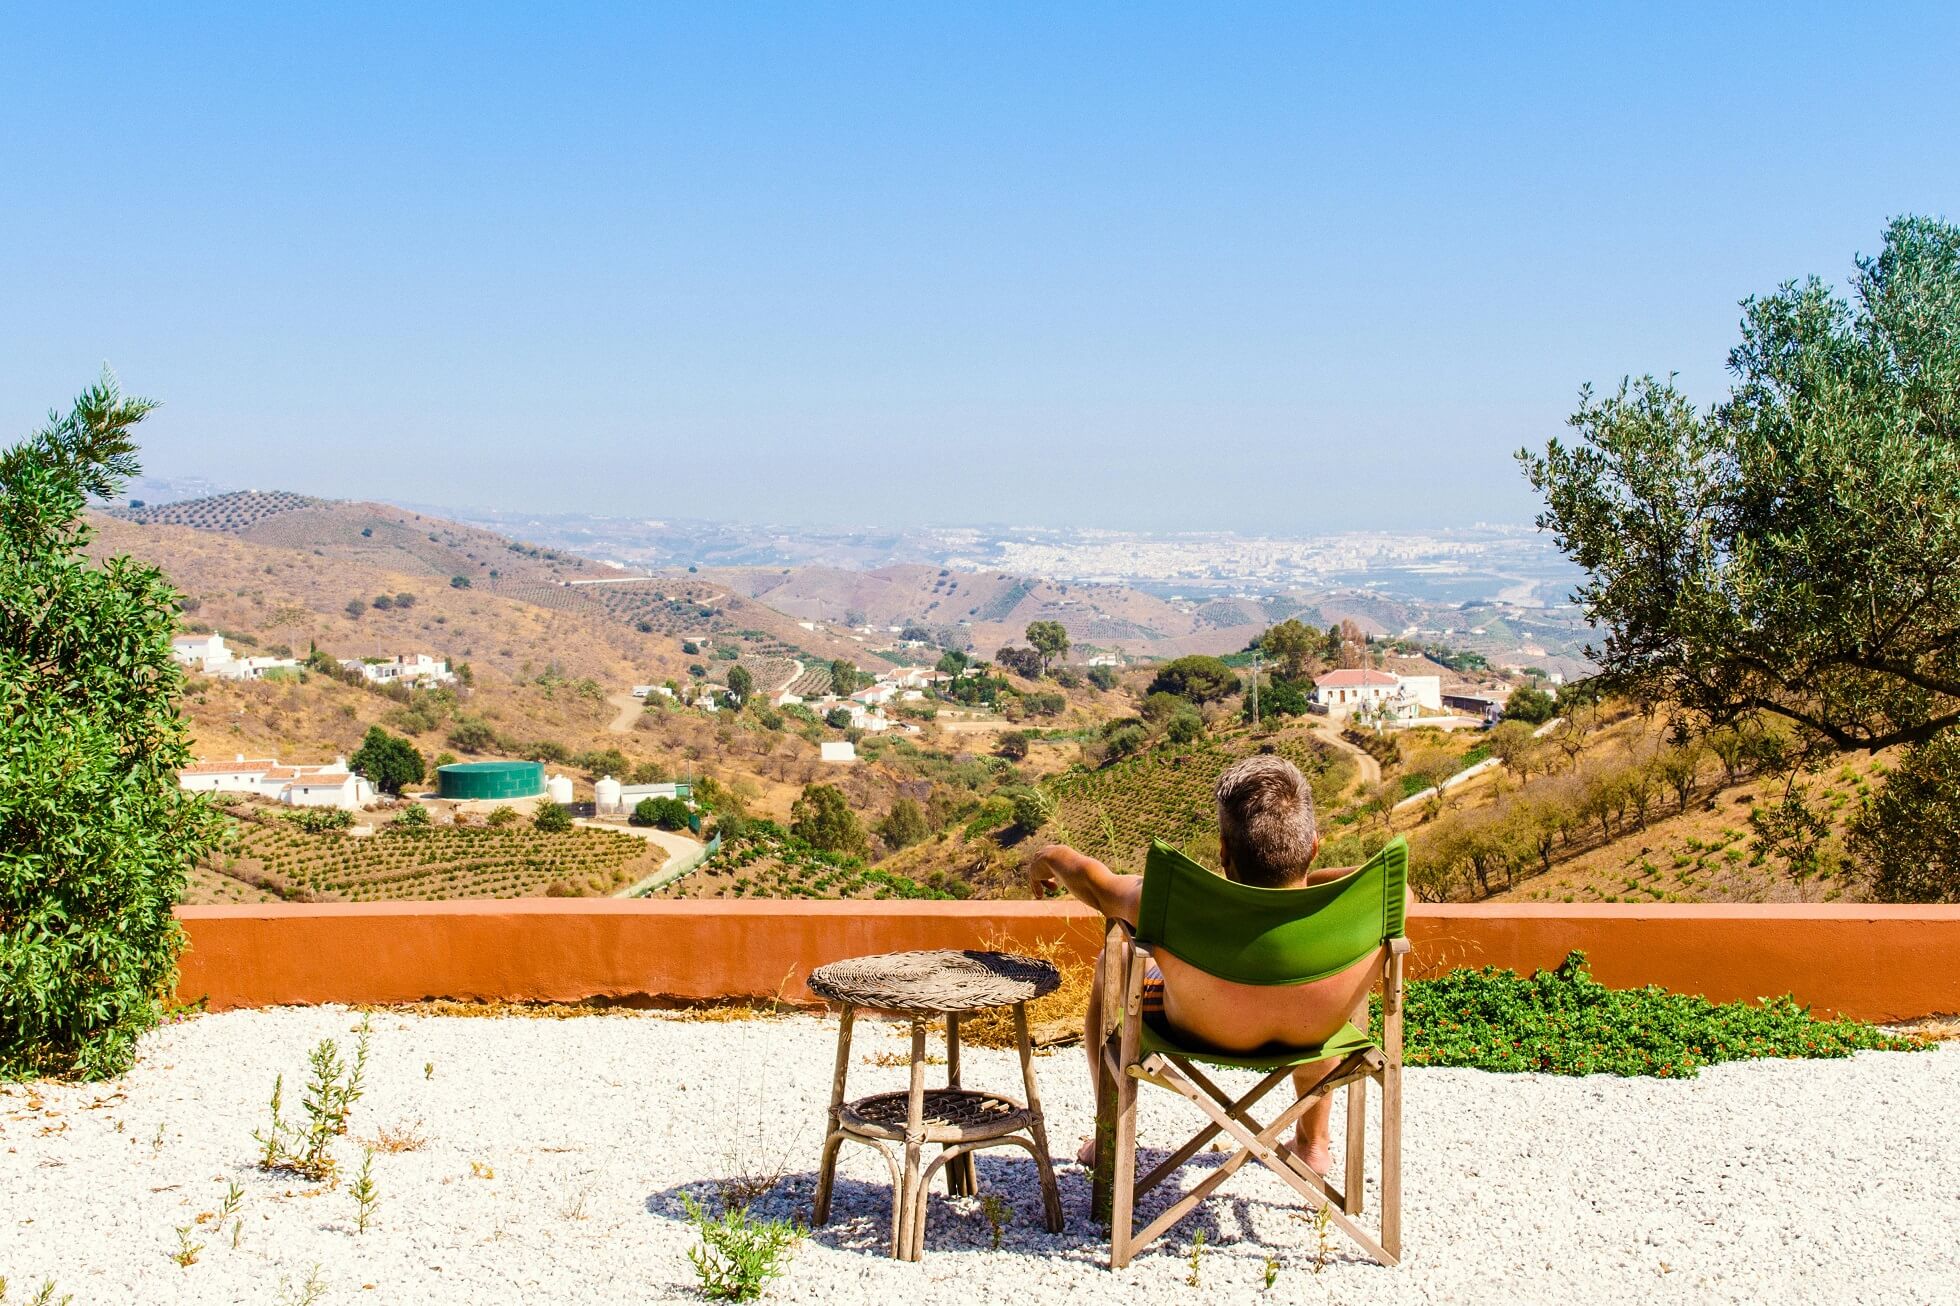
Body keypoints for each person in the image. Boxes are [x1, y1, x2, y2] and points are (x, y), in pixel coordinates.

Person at [1027, 754, 1382, 1175]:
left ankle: (1111, 1137)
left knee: (1115, 958)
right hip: (1315, 1027)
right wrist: (1310, 885)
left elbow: (1091, 879)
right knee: (1317, 986)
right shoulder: (1374, 900)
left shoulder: (1172, 901)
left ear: (1224, 851)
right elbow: (1394, 886)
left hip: (1201, 1025)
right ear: (1313, 845)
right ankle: (1313, 1143)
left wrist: (1048, 855)